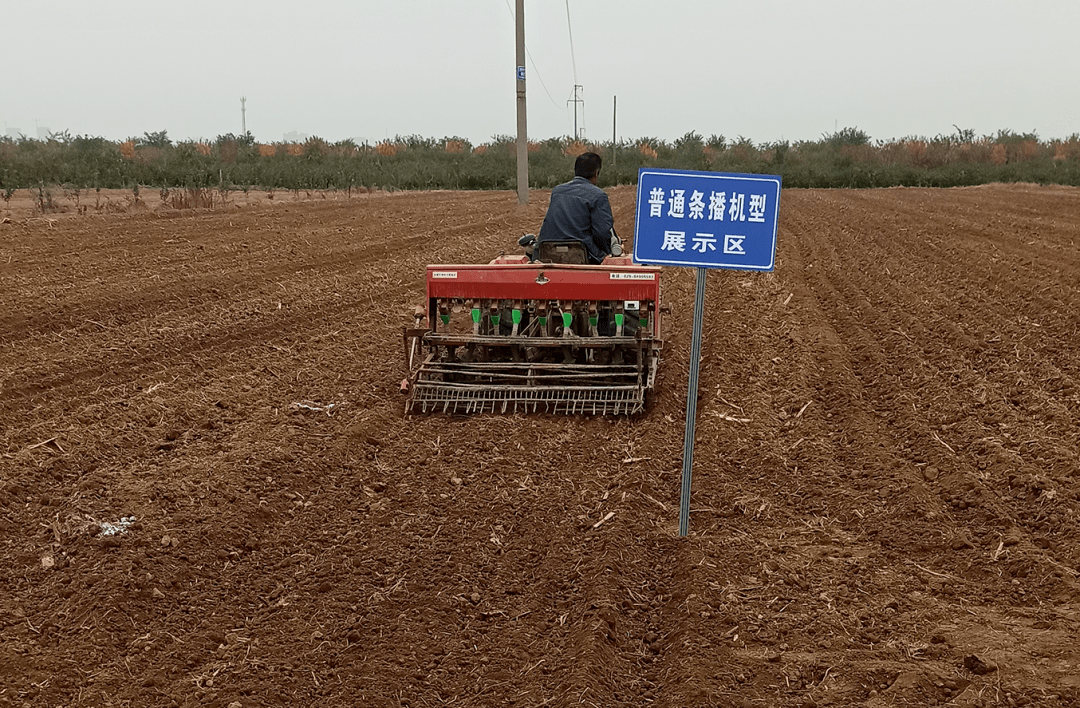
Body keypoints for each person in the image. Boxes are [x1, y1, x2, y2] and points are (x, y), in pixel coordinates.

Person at [537, 152, 620, 264]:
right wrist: (607, 253)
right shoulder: (598, 196)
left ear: (576, 171)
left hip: (549, 253)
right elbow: (602, 232)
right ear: (596, 173)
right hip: (582, 256)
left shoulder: (557, 191)